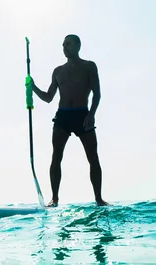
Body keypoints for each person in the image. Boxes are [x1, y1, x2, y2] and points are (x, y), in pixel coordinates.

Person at [30, 34, 109, 207]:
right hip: (63, 116)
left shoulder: (89, 66)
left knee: (93, 157)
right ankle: (54, 199)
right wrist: (33, 87)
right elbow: (48, 97)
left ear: (78, 46)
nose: (64, 47)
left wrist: (92, 114)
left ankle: (99, 199)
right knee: (56, 156)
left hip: (83, 115)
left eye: (68, 44)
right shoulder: (58, 71)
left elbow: (97, 93)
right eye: (63, 45)